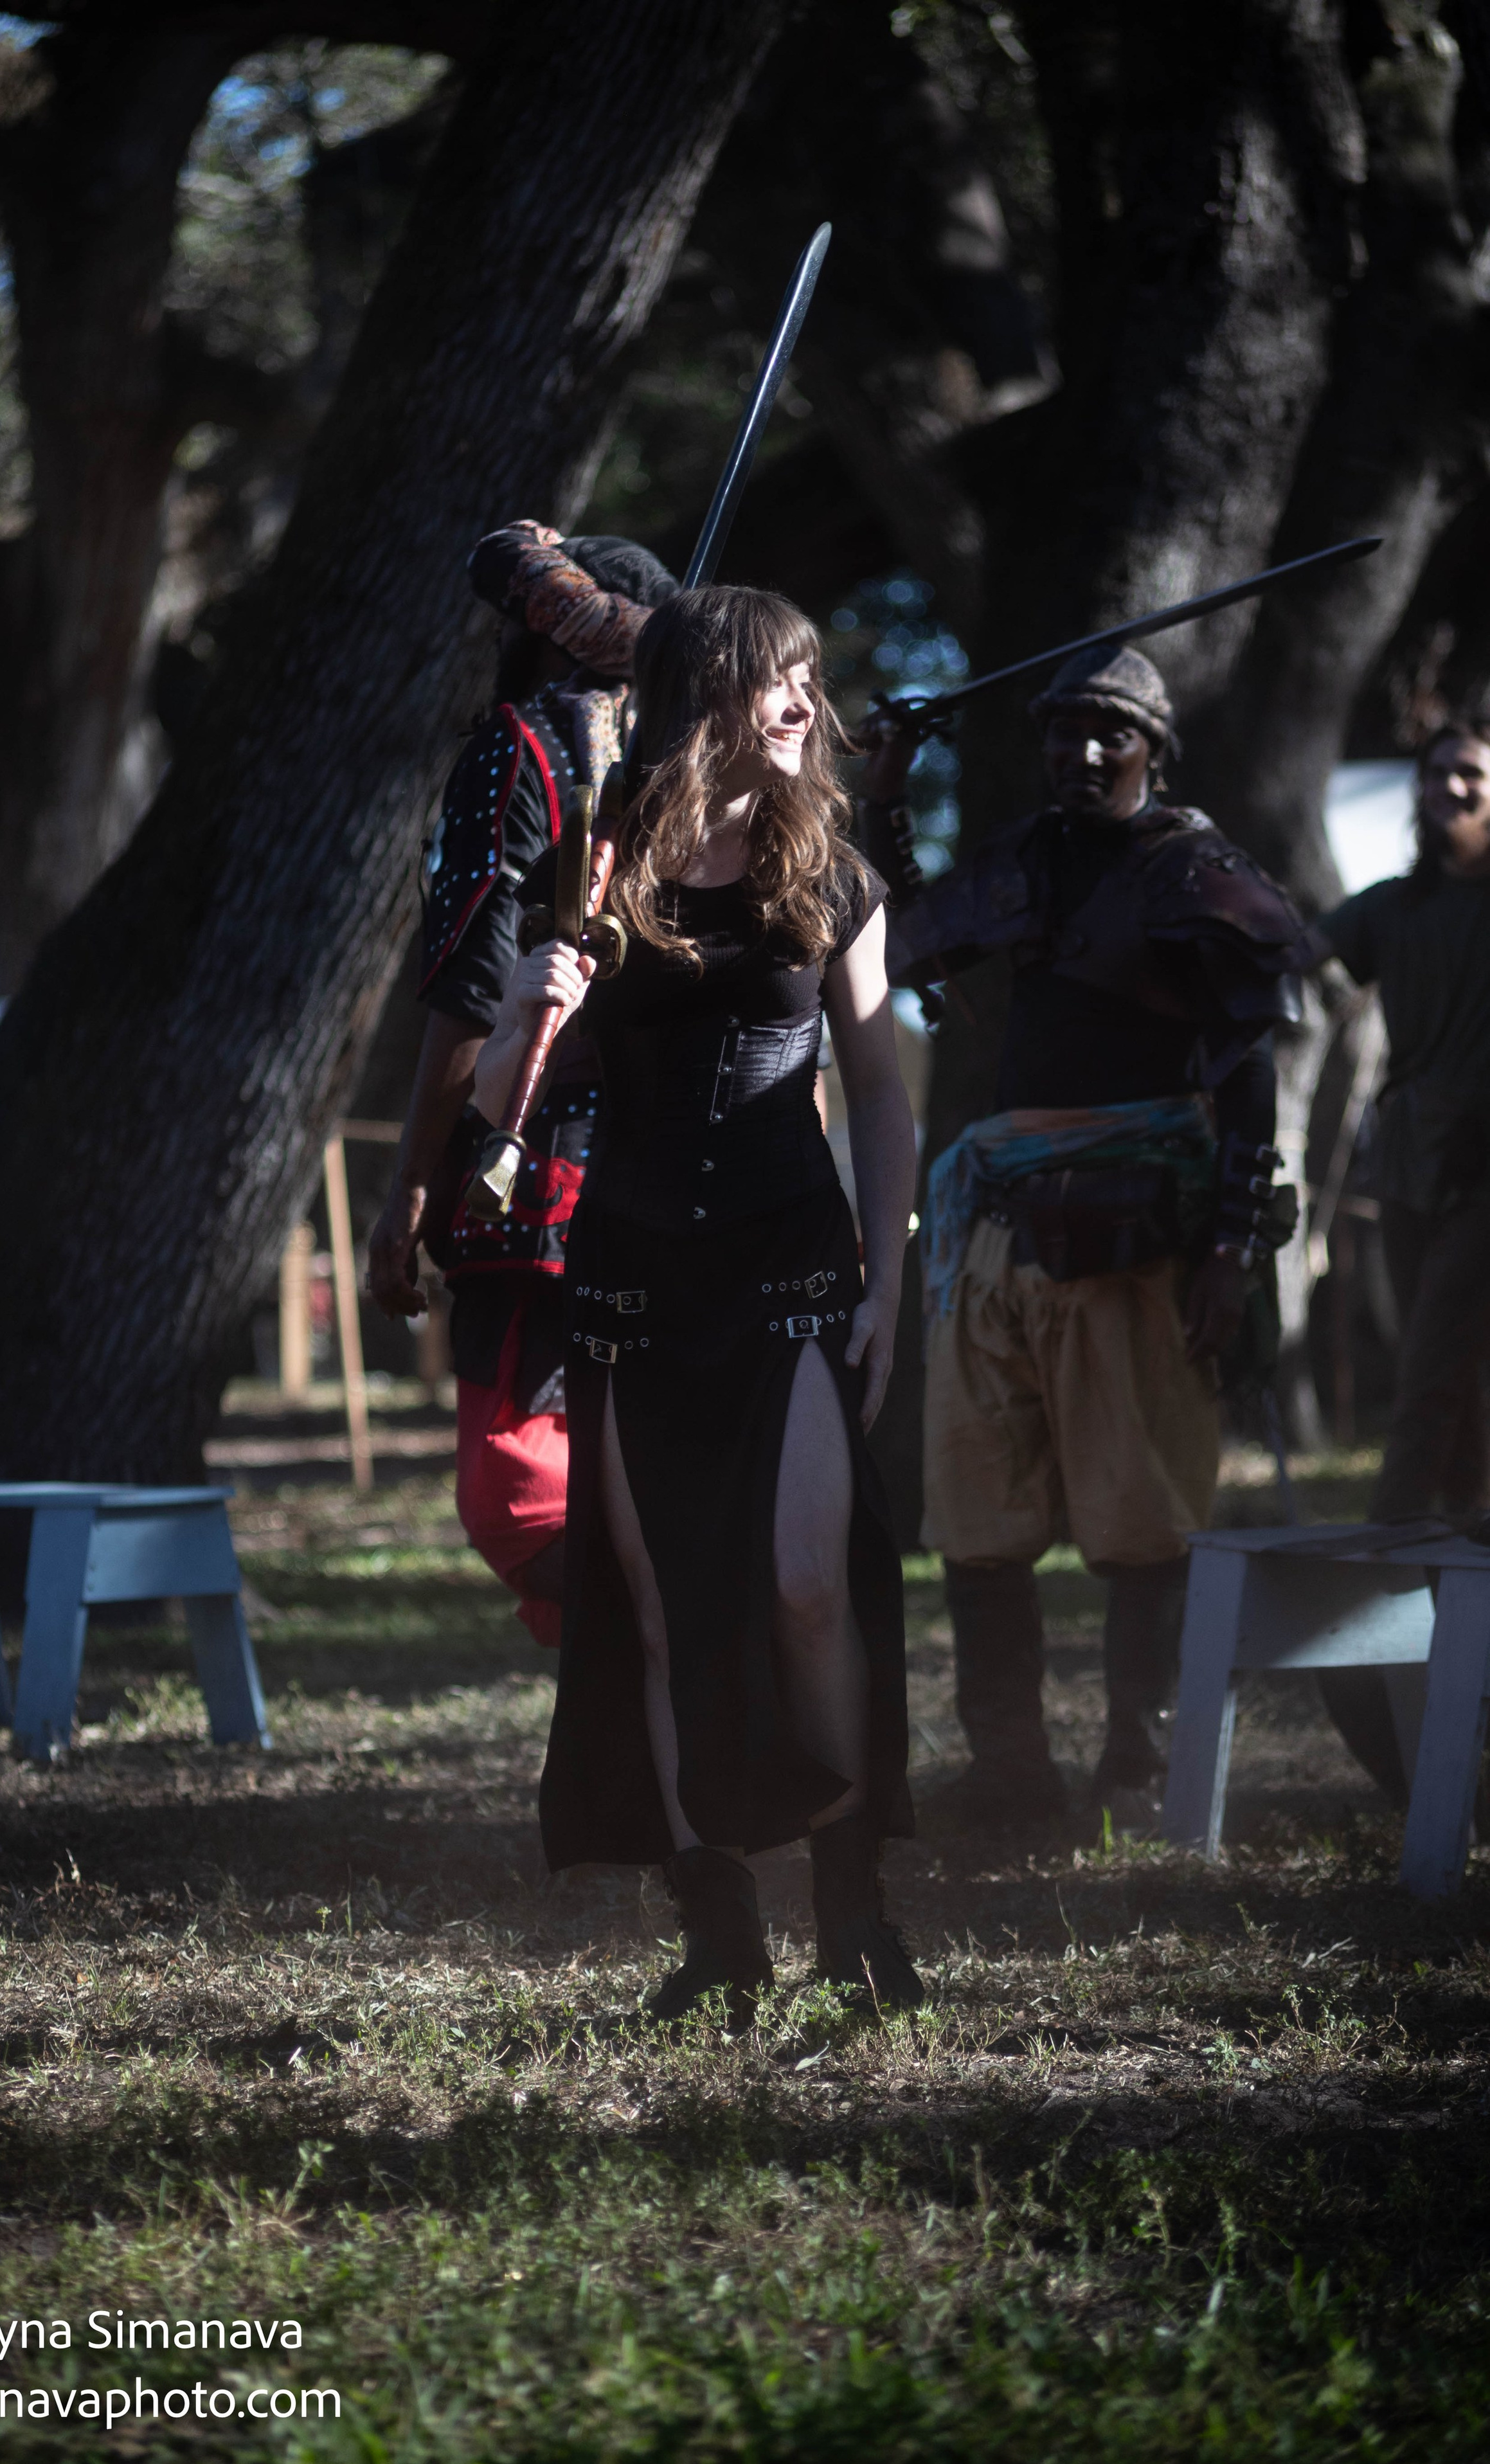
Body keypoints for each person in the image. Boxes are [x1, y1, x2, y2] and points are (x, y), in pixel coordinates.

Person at [473, 584, 923, 2018]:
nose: (809, 708)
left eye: (809, 681)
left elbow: (883, 1101)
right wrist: (526, 1002)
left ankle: (850, 1906)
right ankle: (718, 1934)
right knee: (656, 1616)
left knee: (804, 1584)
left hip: (790, 1261)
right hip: (629, 1275)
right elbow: (503, 1096)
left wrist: (890, 1282)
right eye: (781, 682)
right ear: (711, 697)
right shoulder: (599, 870)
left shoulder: (835, 873)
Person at [881, 645, 1302, 1830]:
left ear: (1152, 750)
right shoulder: (1026, 859)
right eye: (1066, 732)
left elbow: (1251, 1070)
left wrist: (1228, 1251)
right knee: (976, 1517)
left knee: (1141, 1519)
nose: (1084, 752)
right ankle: (1011, 1770)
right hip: (999, 1228)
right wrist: (887, 793)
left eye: (1110, 731)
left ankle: (1138, 1758)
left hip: (1136, 1238)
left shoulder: (1195, 873)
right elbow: (906, 939)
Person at [366, 522, 677, 1647]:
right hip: (693, 1187)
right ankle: (650, 1756)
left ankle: (663, 1706)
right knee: (632, 1478)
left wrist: (409, 1192)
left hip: (538, 1180)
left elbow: (468, 982)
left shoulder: (525, 747)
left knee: (525, 1500)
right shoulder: (723, 767)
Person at [1295, 721, 1490, 1527]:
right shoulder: (1391, 907)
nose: (1451, 787)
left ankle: (1382, 1556)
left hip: (1485, 1165)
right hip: (1411, 1157)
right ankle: (1461, 1542)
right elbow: (1295, 956)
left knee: (1430, 1361)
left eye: (1471, 774)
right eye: (1438, 772)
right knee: (1442, 1357)